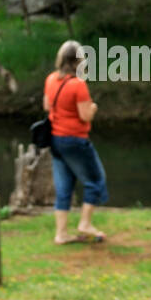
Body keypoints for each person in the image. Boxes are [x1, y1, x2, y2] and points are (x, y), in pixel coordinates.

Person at [44, 40, 109, 244]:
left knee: (64, 187)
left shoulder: (51, 79)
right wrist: (94, 107)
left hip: (55, 139)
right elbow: (85, 115)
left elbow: (47, 105)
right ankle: (85, 224)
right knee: (96, 181)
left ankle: (61, 233)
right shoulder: (78, 84)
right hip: (75, 140)